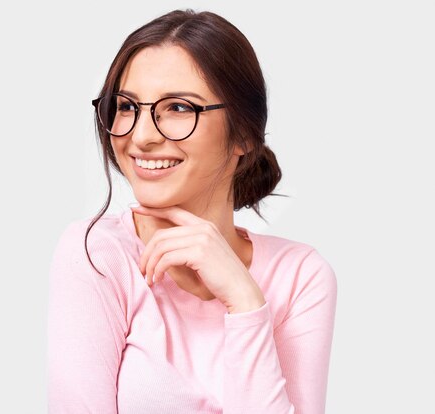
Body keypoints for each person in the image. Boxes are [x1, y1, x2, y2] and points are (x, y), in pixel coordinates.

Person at [47, 8, 337, 414]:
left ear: (244, 136)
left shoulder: (300, 275)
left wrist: (245, 301)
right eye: (127, 106)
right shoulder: (96, 254)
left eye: (179, 108)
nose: (142, 136)